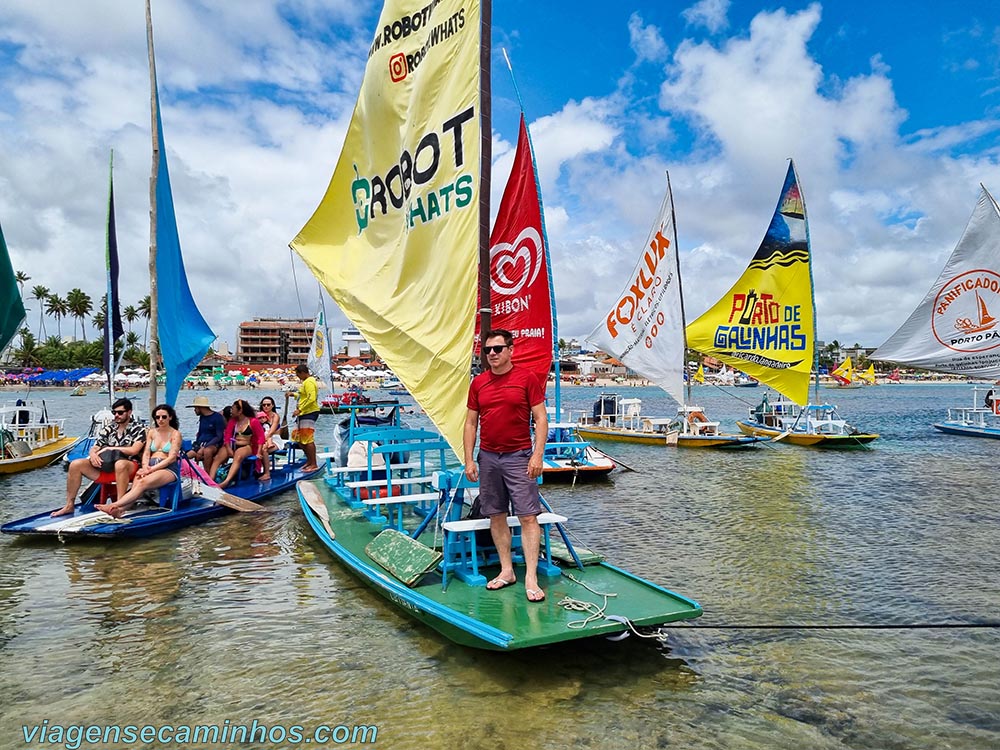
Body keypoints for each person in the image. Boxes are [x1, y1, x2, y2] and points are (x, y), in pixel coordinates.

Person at [463, 329, 548, 602]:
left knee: (527, 516)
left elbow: (541, 419)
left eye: (498, 349)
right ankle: (506, 570)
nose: (492, 354)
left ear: (511, 350)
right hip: (488, 457)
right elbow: (470, 423)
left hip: (519, 456)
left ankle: (531, 577)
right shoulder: (479, 383)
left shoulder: (527, 379)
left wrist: (537, 456)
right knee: (496, 514)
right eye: (487, 350)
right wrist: (468, 458)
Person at [52, 397, 146, 517]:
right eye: (114, 412)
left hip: (130, 468)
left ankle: (119, 505)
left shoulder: (138, 429)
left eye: (120, 412)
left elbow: (134, 450)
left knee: (120, 464)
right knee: (76, 464)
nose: (116, 415)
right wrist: (93, 455)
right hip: (106, 467)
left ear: (129, 412)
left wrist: (111, 448)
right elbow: (96, 446)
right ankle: (69, 505)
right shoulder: (109, 429)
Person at [95, 404, 182, 518]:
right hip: (150, 465)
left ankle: (114, 505)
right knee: (137, 482)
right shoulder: (152, 432)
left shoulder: (175, 434)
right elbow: (146, 453)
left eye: (164, 417)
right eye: (157, 417)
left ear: (170, 417)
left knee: (142, 483)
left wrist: (151, 470)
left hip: (167, 468)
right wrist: (145, 467)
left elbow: (172, 458)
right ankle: (121, 510)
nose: (160, 420)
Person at [212, 399, 265, 489]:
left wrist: (259, 452)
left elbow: (261, 437)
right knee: (218, 457)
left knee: (238, 455)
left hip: (247, 446)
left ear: (240, 411)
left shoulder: (252, 421)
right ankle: (210, 480)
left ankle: (226, 481)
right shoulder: (233, 421)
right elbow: (227, 436)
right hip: (233, 444)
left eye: (233, 409)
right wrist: (228, 449)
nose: (231, 411)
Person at [185, 395, 226, 471]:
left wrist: (204, 447)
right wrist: (197, 446)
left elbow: (219, 436)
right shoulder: (202, 417)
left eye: (195, 408)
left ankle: (208, 474)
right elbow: (200, 432)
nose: (194, 410)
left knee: (207, 451)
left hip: (213, 444)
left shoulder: (217, 417)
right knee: (185, 455)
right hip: (201, 443)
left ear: (200, 407)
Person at [291, 364, 320, 472]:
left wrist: (300, 409)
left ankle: (314, 463)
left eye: (298, 375)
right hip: (304, 413)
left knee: (308, 438)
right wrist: (292, 395)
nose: (298, 377)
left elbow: (311, 398)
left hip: (309, 412)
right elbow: (302, 395)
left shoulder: (310, 382)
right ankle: (309, 460)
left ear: (302, 373)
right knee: (297, 436)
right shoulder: (305, 382)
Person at [255, 396, 284, 481]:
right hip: (262, 438)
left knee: (264, 449)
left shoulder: (275, 416)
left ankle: (267, 473)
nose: (266, 407)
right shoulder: (259, 415)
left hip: (274, 439)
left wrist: (262, 441)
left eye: (268, 404)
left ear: (272, 405)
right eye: (264, 405)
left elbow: (271, 432)